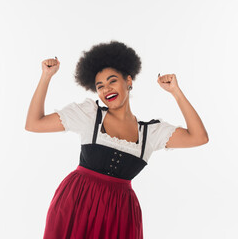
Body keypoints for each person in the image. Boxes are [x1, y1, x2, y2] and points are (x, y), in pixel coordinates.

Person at [25, 40, 209, 239]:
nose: (106, 89)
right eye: (100, 86)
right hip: (77, 202)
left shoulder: (150, 134)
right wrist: (46, 76)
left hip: (120, 214)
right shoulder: (89, 115)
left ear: (128, 81)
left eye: (112, 81)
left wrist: (176, 91)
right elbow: (34, 124)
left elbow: (199, 137)